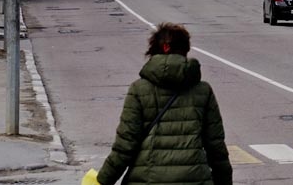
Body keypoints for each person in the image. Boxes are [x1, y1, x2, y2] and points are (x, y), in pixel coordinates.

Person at [97, 23, 232, 185]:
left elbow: (125, 146)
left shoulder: (139, 89)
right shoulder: (203, 90)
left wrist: (102, 181)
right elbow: (216, 147)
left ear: (163, 47)